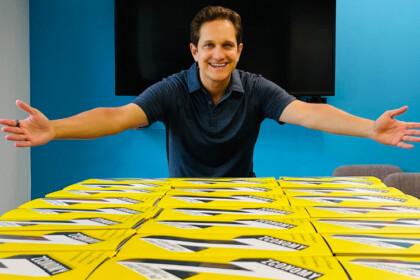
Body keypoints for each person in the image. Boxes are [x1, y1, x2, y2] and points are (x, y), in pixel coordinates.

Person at [1, 6, 420, 177]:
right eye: (208, 45)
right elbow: (117, 116)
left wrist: (370, 128)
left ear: (238, 50)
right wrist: (54, 128)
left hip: (244, 200)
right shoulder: (170, 90)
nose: (217, 55)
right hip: (180, 203)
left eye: (226, 45)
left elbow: (308, 113)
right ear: (194, 51)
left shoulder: (256, 89)